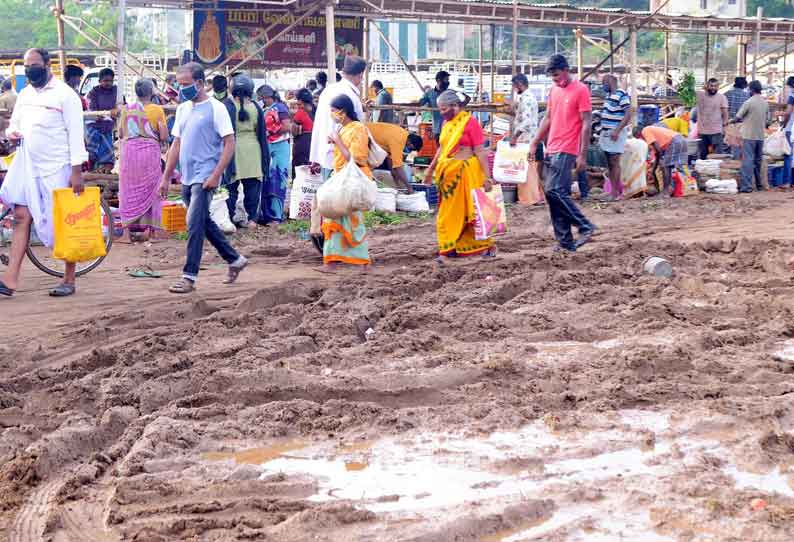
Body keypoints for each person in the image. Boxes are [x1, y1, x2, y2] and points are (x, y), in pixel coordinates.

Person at [0, 48, 88, 298]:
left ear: (48, 65)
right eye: (27, 66)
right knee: (20, 216)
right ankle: (10, 279)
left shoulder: (65, 95)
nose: (30, 70)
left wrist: (76, 172)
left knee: (63, 221)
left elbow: (75, 136)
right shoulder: (25, 94)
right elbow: (14, 124)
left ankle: (69, 278)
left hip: (57, 168)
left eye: (34, 65)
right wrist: (12, 133)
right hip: (28, 165)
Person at [160, 62, 248, 294]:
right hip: (188, 175)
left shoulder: (216, 108)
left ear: (200, 83)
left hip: (206, 174)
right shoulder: (182, 109)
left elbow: (230, 143)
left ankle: (189, 276)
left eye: (186, 84)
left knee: (194, 224)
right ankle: (235, 259)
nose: (182, 89)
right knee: (203, 222)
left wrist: (216, 174)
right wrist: (166, 177)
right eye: (179, 84)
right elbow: (176, 144)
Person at [529, 54, 596, 253]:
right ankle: (565, 242)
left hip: (568, 147)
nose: (556, 80)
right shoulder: (554, 91)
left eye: (557, 75)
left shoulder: (581, 90)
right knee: (554, 195)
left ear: (567, 69)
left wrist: (582, 154)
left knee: (553, 190)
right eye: (552, 77)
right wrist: (535, 142)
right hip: (552, 146)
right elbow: (548, 119)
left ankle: (584, 225)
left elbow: (586, 123)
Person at [424, 90, 496, 260]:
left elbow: (480, 151)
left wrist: (488, 177)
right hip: (448, 177)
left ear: (455, 106)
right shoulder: (446, 124)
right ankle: (448, 248)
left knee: (472, 213)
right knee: (447, 214)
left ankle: (485, 247)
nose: (441, 113)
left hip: (467, 175)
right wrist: (430, 169)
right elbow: (442, 149)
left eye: (443, 109)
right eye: (440, 109)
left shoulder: (470, 123)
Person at [323, 94, 371, 270]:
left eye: (334, 111)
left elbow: (356, 159)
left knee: (352, 220)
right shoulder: (342, 129)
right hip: (339, 178)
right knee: (333, 218)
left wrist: (337, 141)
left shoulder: (358, 128)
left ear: (343, 111)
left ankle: (359, 261)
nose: (332, 114)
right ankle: (334, 258)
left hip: (352, 180)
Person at [118, 78, 168, 243]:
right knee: (153, 191)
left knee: (128, 191)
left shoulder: (126, 110)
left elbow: (120, 133)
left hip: (129, 155)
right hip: (149, 155)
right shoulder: (156, 110)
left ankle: (126, 233)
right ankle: (153, 231)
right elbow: (164, 135)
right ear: (152, 92)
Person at [310, 56, 366, 180]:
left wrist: (314, 156)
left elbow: (318, 125)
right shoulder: (351, 95)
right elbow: (359, 130)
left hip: (325, 155)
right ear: (361, 75)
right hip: (342, 161)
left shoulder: (328, 90)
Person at [227, 74, 268, 228]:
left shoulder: (228, 106)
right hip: (253, 150)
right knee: (252, 187)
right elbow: (261, 132)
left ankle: (229, 218)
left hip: (232, 150)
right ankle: (252, 219)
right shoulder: (256, 107)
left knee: (231, 187)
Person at [258, 85, 292, 223]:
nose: (262, 100)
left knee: (277, 179)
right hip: (267, 147)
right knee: (266, 180)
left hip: (280, 147)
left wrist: (271, 132)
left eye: (263, 98)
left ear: (268, 97)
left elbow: (287, 126)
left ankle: (276, 216)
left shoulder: (280, 108)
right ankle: (266, 214)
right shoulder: (264, 109)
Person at [599, 74, 634, 200]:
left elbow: (628, 114)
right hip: (607, 133)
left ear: (610, 81)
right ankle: (612, 191)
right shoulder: (609, 96)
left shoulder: (621, 94)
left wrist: (617, 131)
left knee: (614, 161)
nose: (603, 85)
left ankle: (615, 193)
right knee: (610, 162)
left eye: (603, 82)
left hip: (615, 133)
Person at [733, 80, 769, 194]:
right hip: (760, 136)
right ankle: (759, 185)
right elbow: (768, 121)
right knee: (758, 161)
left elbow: (738, 116)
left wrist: (731, 121)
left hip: (748, 135)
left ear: (751, 90)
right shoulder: (765, 103)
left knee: (747, 161)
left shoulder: (749, 102)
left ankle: (747, 187)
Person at [367, 122, 423, 192]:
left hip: (366, 135)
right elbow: (398, 167)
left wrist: (398, 187)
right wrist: (408, 186)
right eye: (412, 148)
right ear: (410, 142)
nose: (410, 150)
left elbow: (392, 166)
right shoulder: (399, 141)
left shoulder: (403, 135)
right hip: (362, 134)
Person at [636, 124, 687, 196]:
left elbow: (658, 150)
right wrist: (653, 170)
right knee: (672, 167)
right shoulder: (652, 134)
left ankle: (666, 191)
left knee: (666, 166)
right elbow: (657, 155)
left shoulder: (645, 131)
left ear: (638, 134)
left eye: (639, 138)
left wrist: (662, 159)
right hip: (679, 140)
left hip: (674, 141)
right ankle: (673, 189)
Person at [86, 67, 119, 172]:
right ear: (99, 81)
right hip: (94, 127)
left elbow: (122, 106)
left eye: (110, 81)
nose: (108, 83)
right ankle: (90, 172)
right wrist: (108, 113)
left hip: (108, 128)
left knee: (108, 160)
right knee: (91, 156)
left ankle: (105, 177)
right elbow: (93, 110)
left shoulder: (116, 91)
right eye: (105, 81)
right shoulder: (93, 92)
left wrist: (116, 111)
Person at [696, 78, 728, 160]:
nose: (713, 88)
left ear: (718, 87)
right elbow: (688, 94)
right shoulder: (699, 95)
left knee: (717, 156)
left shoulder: (722, 97)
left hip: (716, 131)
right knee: (702, 156)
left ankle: (716, 172)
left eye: (715, 86)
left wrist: (725, 127)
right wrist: (704, 88)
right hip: (702, 131)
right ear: (707, 86)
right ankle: (703, 172)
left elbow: (725, 113)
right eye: (711, 86)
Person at [418, 71, 451, 141]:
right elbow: (420, 103)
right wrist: (402, 106)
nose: (448, 82)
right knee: (439, 148)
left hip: (450, 127)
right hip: (437, 128)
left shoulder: (450, 93)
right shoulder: (430, 93)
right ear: (438, 80)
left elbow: (460, 103)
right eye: (446, 79)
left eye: (448, 80)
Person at [725, 77, 749, 160]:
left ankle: (731, 165)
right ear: (744, 85)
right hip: (743, 125)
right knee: (741, 146)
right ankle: (738, 164)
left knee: (730, 146)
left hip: (729, 124)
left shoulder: (726, 94)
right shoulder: (747, 96)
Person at [292, 87, 315, 171]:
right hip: (315, 142)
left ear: (300, 101)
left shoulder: (300, 113)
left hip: (303, 144)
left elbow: (294, 132)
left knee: (300, 170)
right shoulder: (316, 110)